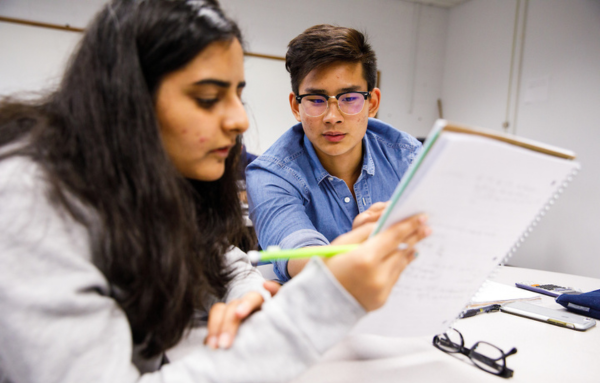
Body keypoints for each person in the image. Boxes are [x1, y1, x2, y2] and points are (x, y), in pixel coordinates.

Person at [0, 1, 430, 382]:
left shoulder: (159, 181)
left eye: (237, 94)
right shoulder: (26, 200)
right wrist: (326, 301)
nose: (240, 119)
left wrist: (247, 300)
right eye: (208, 97)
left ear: (372, 102)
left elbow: (228, 263)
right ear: (126, 102)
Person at [246, 25, 423, 282]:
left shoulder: (407, 157)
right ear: (296, 106)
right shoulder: (270, 175)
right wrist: (364, 244)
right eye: (316, 100)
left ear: (371, 103)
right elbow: (301, 254)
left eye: (349, 98)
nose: (332, 117)